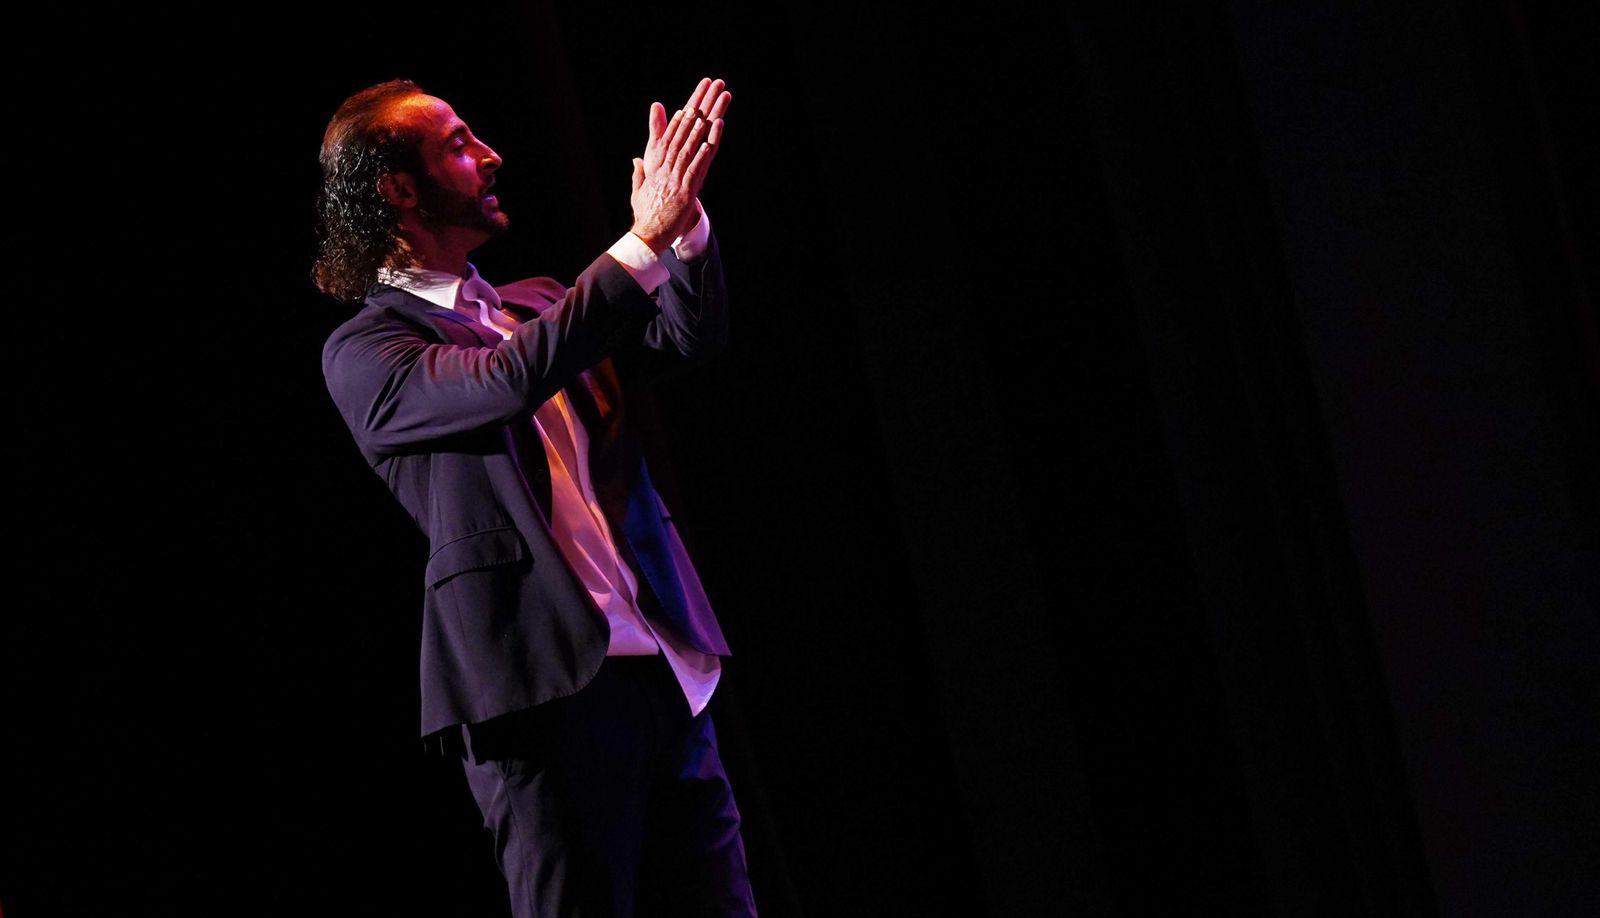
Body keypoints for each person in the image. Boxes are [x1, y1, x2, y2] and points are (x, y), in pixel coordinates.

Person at [313, 75, 757, 917]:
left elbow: (684, 338)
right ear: (400, 190)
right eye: (458, 144)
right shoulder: (369, 350)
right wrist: (641, 241)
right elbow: (505, 381)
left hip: (664, 668)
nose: (489, 156)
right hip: (546, 695)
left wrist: (685, 233)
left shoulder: (538, 305)